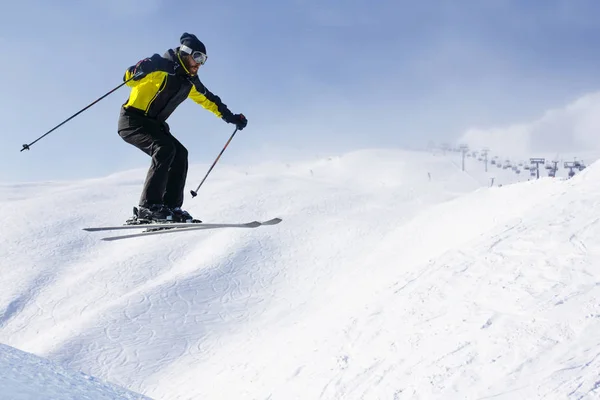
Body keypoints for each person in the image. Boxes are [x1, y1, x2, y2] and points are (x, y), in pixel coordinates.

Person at [118, 32, 247, 223]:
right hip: (133, 120)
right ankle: (149, 207)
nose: (199, 64)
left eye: (203, 60)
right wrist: (139, 68)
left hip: (155, 125)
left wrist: (231, 117)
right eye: (197, 57)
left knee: (180, 154)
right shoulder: (160, 65)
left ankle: (171, 207)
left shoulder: (189, 82)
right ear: (186, 53)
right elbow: (129, 78)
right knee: (164, 148)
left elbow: (210, 100)